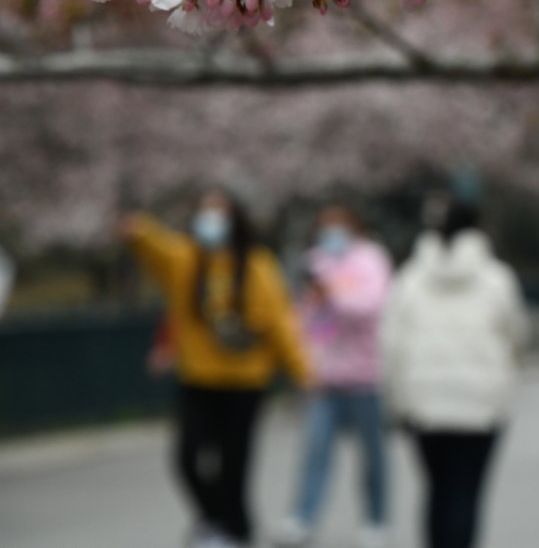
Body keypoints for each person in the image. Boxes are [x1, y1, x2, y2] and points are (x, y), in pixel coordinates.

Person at [123, 192, 310, 548]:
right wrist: (138, 229)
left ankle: (235, 530)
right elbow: (157, 247)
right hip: (199, 378)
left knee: (234, 462)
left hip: (245, 381)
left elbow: (280, 322)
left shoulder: (257, 265)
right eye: (205, 212)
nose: (211, 220)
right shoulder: (187, 259)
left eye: (219, 213)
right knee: (187, 458)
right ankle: (216, 520)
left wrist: (302, 371)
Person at [382, 200, 527, 548]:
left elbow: (390, 344)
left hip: (424, 402)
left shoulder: (410, 279)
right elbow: (517, 337)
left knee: (436, 490)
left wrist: (396, 400)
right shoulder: (497, 279)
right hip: (481, 403)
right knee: (467, 492)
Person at [277, 204, 393, 548]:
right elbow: (304, 318)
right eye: (325, 227)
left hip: (366, 378)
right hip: (324, 380)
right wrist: (303, 362)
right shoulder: (314, 262)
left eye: (339, 226)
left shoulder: (371, 260)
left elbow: (373, 304)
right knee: (315, 453)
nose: (332, 234)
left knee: (373, 457)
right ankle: (304, 518)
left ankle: (376, 521)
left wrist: (333, 296)